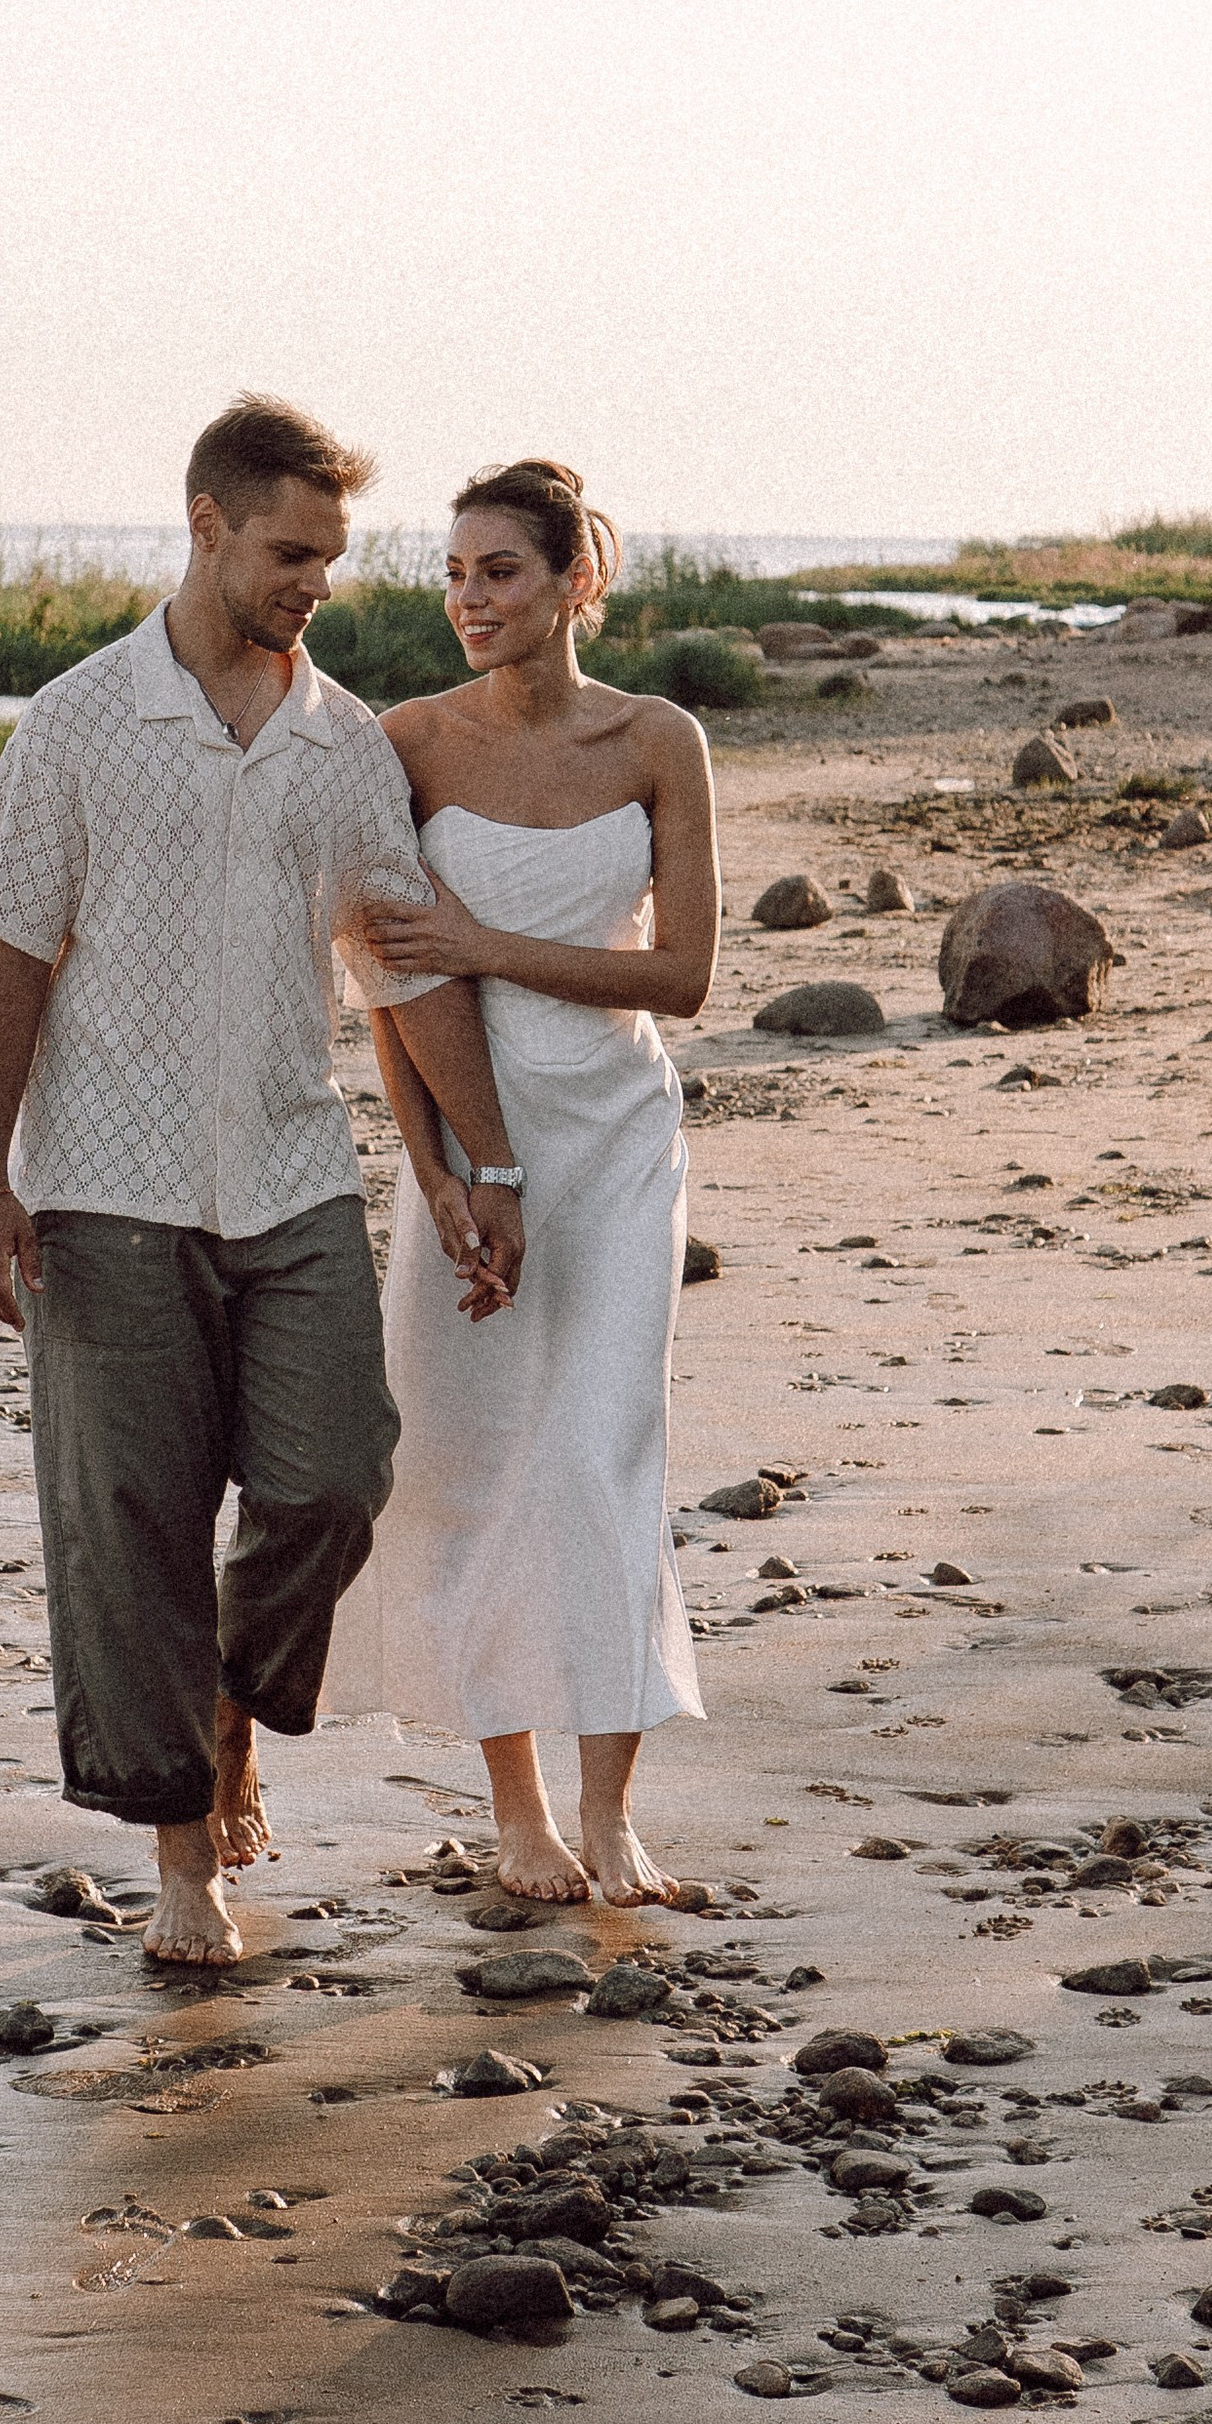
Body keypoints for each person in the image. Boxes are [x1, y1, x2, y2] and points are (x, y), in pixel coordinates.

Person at [0, 395, 527, 1967]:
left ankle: (232, 1699)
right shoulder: (77, 725)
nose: (316, 584)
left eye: (333, 558)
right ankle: (185, 1860)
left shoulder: (343, 746)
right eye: (291, 551)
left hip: (289, 1177)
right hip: (104, 1184)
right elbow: (9, 951)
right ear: (204, 522)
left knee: (337, 1471)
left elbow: (402, 972)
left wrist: (485, 1162)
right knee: (129, 1524)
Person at [325, 459, 719, 1904]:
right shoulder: (406, 741)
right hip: (469, 1148)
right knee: (471, 1458)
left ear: (574, 585)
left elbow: (681, 975)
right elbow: (380, 975)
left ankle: (613, 1806)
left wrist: (486, 946)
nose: (468, 601)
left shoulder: (657, 740)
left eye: (499, 572)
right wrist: (429, 1173)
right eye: (453, 574)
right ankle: (518, 1810)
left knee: (606, 1447)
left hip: (616, 1139)